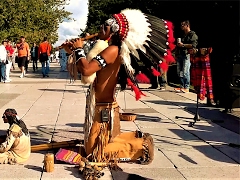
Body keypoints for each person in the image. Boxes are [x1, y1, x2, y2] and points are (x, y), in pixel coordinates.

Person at [63, 9, 176, 164]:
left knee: (94, 153)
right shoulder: (107, 48)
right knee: (100, 144)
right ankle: (136, 137)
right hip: (105, 108)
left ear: (113, 33)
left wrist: (78, 49)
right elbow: (86, 68)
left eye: (105, 28)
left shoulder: (112, 50)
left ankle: (141, 146)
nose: (100, 29)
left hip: (105, 110)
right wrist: (73, 51)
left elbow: (87, 69)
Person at [174, 20, 198, 93]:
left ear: (187, 25)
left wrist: (183, 45)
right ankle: (181, 86)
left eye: (183, 25)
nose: (181, 27)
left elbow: (193, 45)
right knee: (179, 71)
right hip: (180, 54)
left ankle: (186, 87)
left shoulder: (192, 35)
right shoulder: (183, 35)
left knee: (185, 71)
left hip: (187, 54)